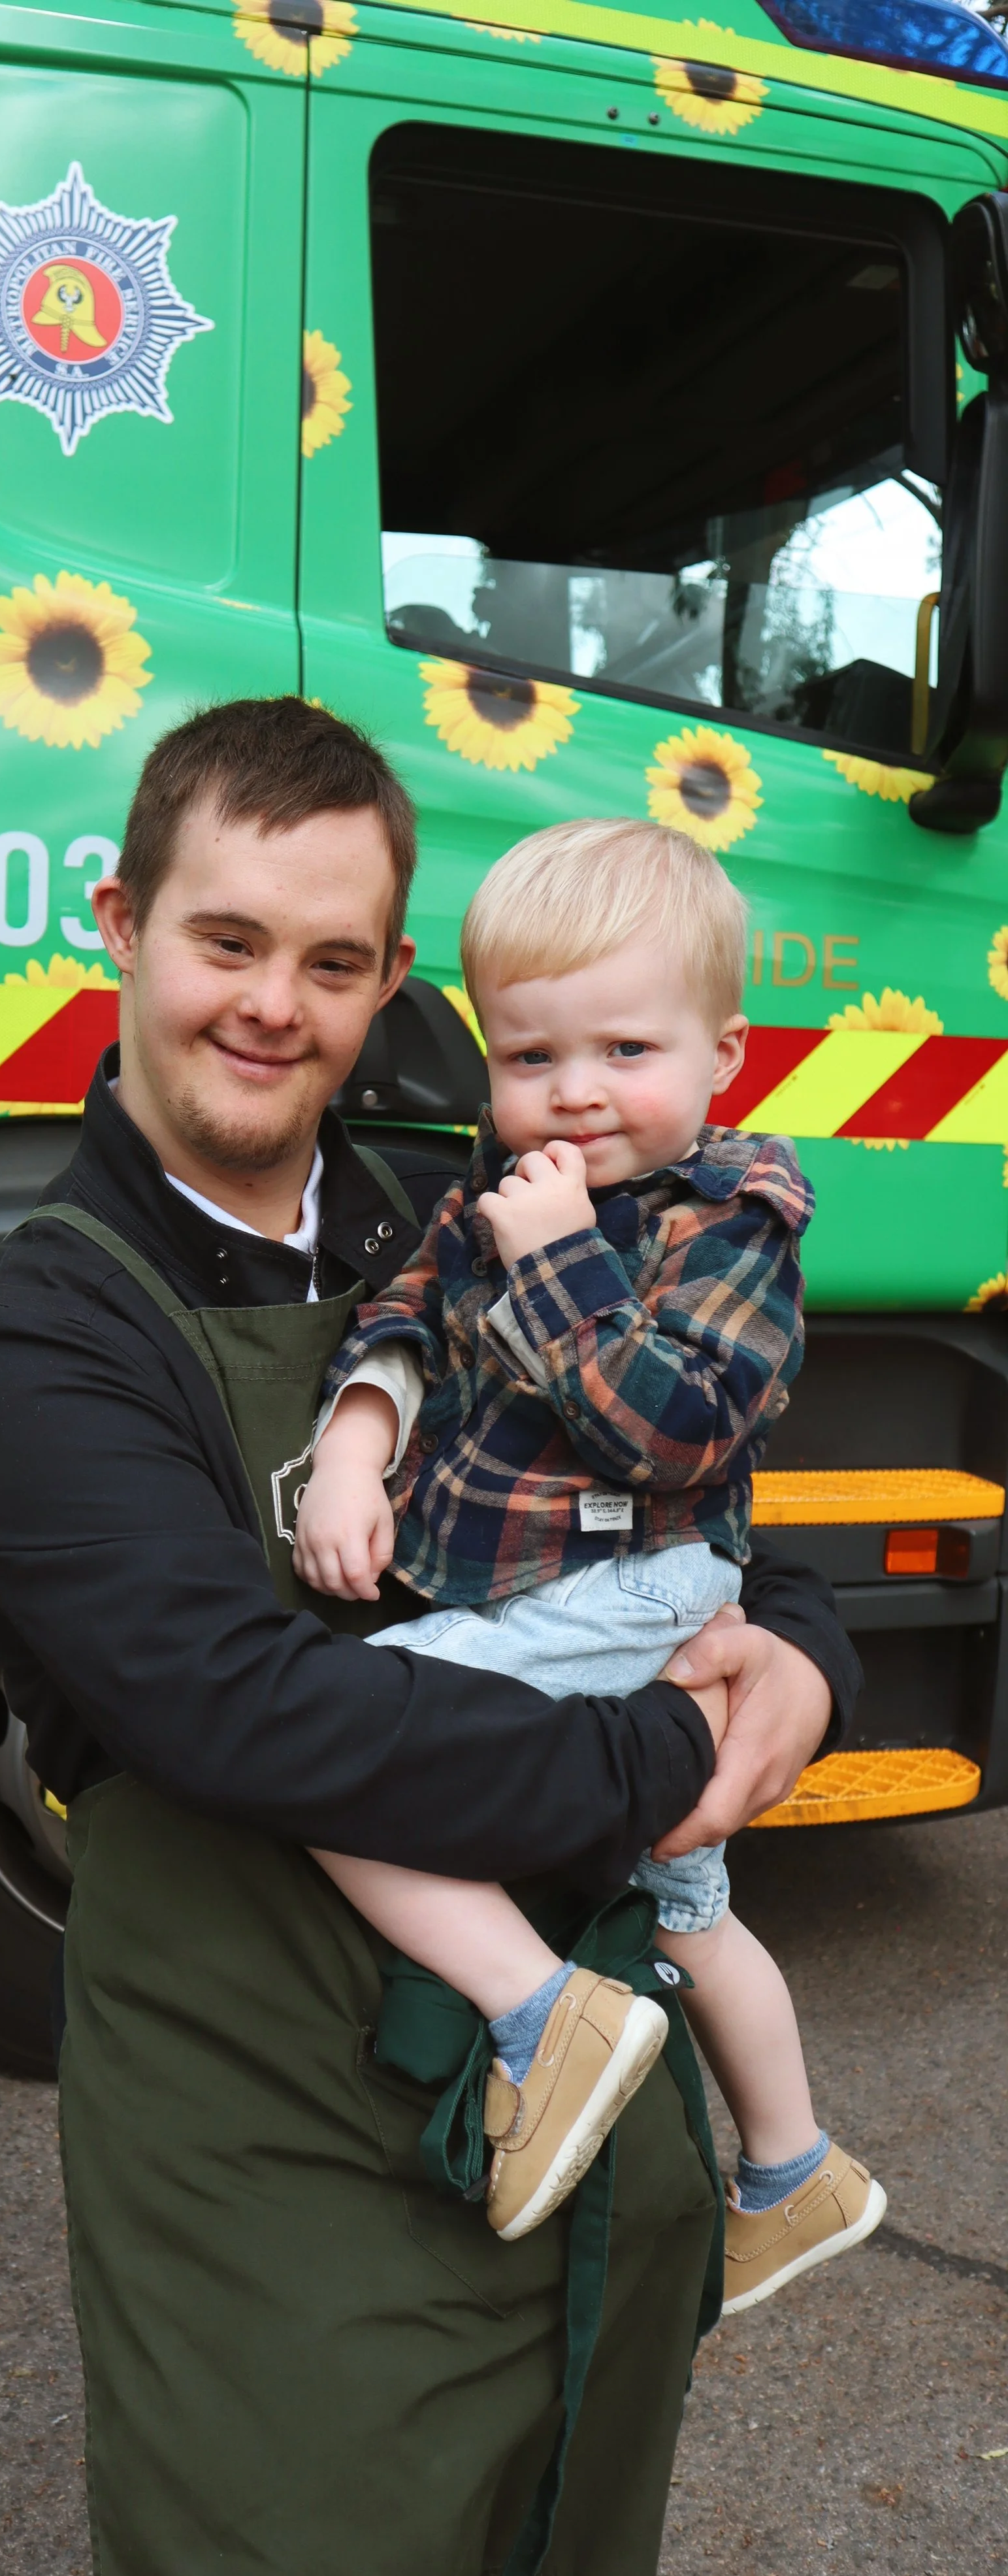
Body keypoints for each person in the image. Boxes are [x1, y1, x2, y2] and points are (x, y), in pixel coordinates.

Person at [0, 699, 860, 2576]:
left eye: (333, 962)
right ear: (120, 925)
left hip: (566, 2128)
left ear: (390, 984)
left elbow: (708, 1479)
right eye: (229, 941)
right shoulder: (34, 1342)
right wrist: (680, 1763)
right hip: (264, 2148)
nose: (277, 1006)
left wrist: (814, 1658)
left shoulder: (480, 1201)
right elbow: (248, 1717)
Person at [293, 819, 883, 2301]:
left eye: (626, 1050)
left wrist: (559, 1258)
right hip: (550, 1588)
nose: (572, 1093)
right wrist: (360, 1444)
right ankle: (796, 2170)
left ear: (722, 1058)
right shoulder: (491, 1190)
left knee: (322, 1753)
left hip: (638, 1584)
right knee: (690, 1902)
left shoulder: (732, 1224)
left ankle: (540, 2012)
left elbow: (674, 1432)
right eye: (529, 1055)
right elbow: (405, 1319)